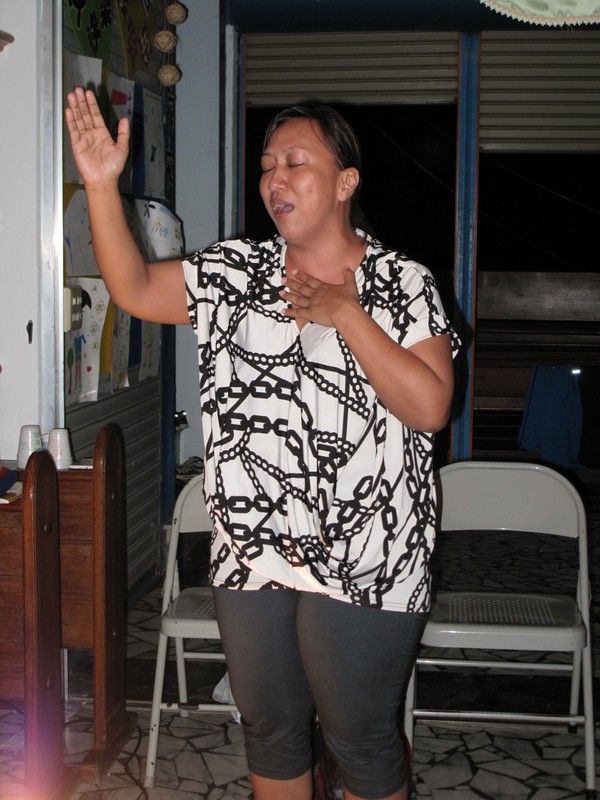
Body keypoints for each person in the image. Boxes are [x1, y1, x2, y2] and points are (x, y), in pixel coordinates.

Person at [65, 87, 459, 800]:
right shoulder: (234, 273)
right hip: (253, 551)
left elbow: (430, 407)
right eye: (267, 164)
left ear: (345, 182)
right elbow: (133, 288)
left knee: (360, 739)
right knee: (269, 729)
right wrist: (99, 186)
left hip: (367, 552)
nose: (276, 177)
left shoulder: (402, 283)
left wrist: (347, 313)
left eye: (296, 162)